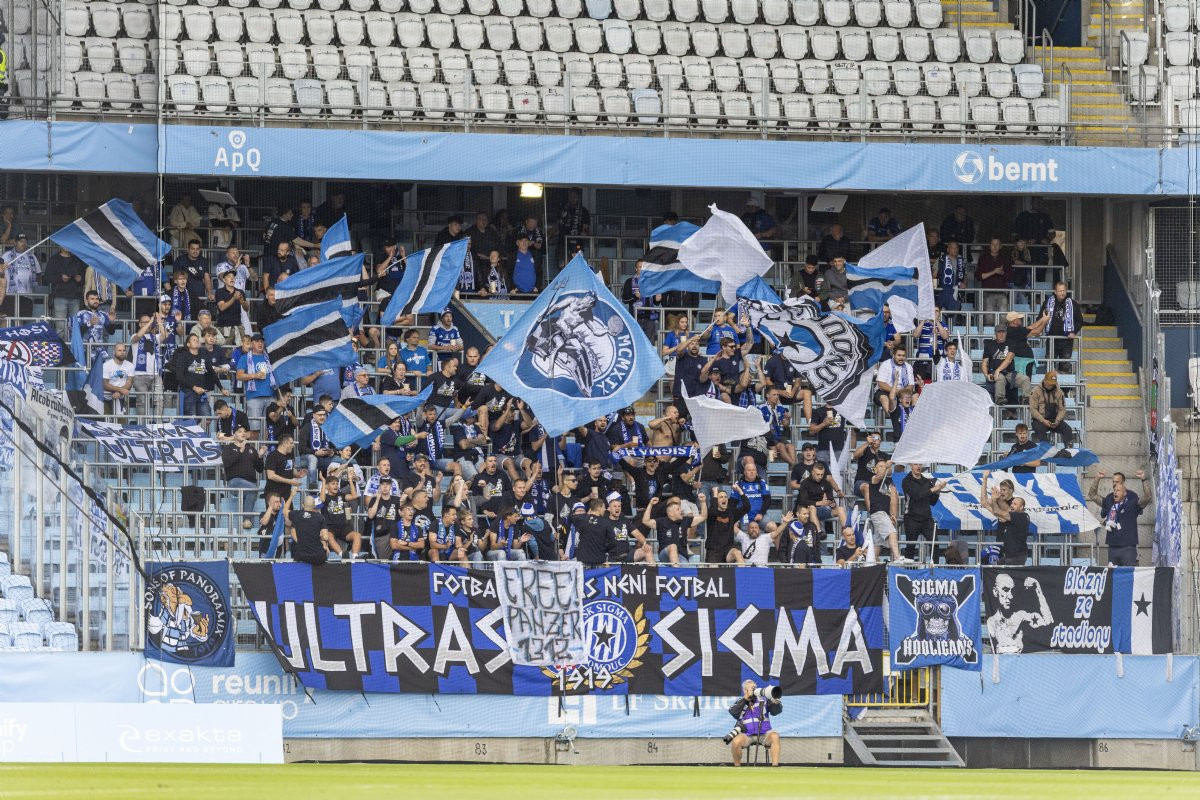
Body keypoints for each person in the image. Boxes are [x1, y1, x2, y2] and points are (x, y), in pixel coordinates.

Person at [1088, 470, 1153, 566]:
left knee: (1128, 573)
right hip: (1112, 546)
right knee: (1114, 574)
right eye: (1113, 482)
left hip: (1128, 547)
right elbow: (1092, 495)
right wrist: (1097, 479)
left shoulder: (1132, 499)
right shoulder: (1109, 498)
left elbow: (1147, 497)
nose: (1114, 485)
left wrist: (1144, 480)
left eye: (1117, 483)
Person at [986, 572, 1052, 654]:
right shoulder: (992, 621)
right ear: (996, 592)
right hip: (1000, 659)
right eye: (1005, 590)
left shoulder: (1020, 616)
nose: (1010, 596)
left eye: (1012, 590)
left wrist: (1037, 588)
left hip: (1020, 659)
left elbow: (1047, 621)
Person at [728, 680, 782, 767]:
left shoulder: (764, 699)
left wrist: (775, 703)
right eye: (751, 688)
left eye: (754, 688)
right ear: (745, 690)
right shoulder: (740, 701)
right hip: (747, 734)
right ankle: (737, 766)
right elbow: (733, 712)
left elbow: (775, 712)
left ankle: (775, 766)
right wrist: (745, 699)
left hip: (765, 733)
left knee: (775, 736)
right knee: (736, 742)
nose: (753, 690)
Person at [981, 471, 1031, 565]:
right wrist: (985, 479)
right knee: (984, 556)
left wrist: (996, 500)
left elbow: (1003, 514)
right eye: (1001, 489)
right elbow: (984, 502)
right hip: (1001, 543)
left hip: (1013, 549)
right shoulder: (1004, 502)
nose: (1001, 492)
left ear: (1011, 490)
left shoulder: (1015, 508)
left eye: (1004, 490)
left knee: (999, 566)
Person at [640, 495, 706, 566]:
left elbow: (703, 517)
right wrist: (650, 504)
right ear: (671, 513)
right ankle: (676, 571)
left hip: (682, 556)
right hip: (665, 554)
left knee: (685, 569)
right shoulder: (661, 522)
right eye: (678, 509)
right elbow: (645, 521)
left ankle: (677, 568)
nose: (681, 510)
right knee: (673, 546)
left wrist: (703, 502)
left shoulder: (685, 520)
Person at [901, 465, 946, 562]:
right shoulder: (906, 481)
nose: (918, 466)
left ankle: (935, 567)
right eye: (916, 464)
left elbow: (932, 502)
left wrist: (937, 491)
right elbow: (917, 496)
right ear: (911, 465)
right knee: (910, 546)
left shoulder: (927, 481)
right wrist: (933, 489)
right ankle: (908, 569)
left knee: (935, 544)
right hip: (911, 517)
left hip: (926, 518)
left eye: (920, 464)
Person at [222, 426, 263, 529]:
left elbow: (260, 469)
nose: (243, 433)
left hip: (251, 482)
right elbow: (227, 463)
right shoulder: (228, 448)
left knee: (252, 490)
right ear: (234, 434)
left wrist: (260, 457)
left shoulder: (251, 449)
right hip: (234, 482)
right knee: (253, 489)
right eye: (240, 431)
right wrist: (240, 450)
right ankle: (247, 519)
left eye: (244, 431)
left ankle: (246, 521)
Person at [866, 459, 906, 563]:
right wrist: (887, 466)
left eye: (884, 466)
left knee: (878, 543)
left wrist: (893, 515)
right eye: (880, 466)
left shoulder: (889, 483)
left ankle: (871, 563)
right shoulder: (874, 478)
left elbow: (893, 500)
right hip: (878, 512)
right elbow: (879, 476)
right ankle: (897, 557)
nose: (883, 468)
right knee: (892, 532)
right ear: (875, 469)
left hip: (885, 514)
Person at [1039, 281, 1085, 372]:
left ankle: (1064, 381)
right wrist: (1039, 329)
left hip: (1067, 341)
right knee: (1049, 366)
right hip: (1051, 340)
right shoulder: (1047, 302)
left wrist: (1074, 332)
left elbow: (1080, 321)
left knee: (1065, 366)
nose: (1062, 293)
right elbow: (1040, 318)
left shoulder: (1073, 304)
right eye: (1060, 291)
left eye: (1064, 290)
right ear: (1055, 292)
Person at [981, 326, 1026, 404]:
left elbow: (1008, 360)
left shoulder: (1011, 343)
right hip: (994, 372)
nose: (1001, 334)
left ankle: (1026, 399)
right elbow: (984, 362)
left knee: (1025, 379)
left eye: (1003, 332)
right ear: (995, 333)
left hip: (1010, 373)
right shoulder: (989, 345)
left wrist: (998, 370)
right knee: (1000, 378)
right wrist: (986, 375)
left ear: (1006, 333)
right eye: (999, 332)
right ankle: (999, 399)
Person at [1029, 371, 1074, 448]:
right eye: (1049, 383)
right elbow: (1033, 409)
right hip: (1040, 420)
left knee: (1068, 430)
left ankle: (1068, 450)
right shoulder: (1035, 391)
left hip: (1054, 420)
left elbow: (1062, 409)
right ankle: (1047, 450)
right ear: (1045, 380)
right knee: (1040, 430)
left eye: (1053, 384)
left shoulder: (1059, 392)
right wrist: (1043, 420)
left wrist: (1057, 420)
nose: (1051, 385)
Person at [366, 478, 403, 560]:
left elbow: (402, 515)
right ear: (380, 486)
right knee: (384, 561)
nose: (385, 487)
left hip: (395, 534)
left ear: (391, 486)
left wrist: (402, 502)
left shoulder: (397, 500)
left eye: (387, 484)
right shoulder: (374, 499)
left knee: (397, 559)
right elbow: (371, 515)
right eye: (383, 484)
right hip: (381, 535)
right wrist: (377, 499)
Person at [874, 346, 915, 415]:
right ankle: (892, 417)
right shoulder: (885, 364)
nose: (901, 358)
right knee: (884, 398)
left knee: (915, 396)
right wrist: (896, 391)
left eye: (903, 356)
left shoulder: (908, 366)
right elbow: (881, 384)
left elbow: (911, 385)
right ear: (893, 355)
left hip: (903, 391)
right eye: (899, 355)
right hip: (885, 391)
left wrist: (903, 392)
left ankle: (912, 417)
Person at [556, 189, 591, 258]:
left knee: (577, 262)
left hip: (577, 242)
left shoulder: (583, 211)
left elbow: (586, 228)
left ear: (579, 197)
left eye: (575, 196)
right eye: (571, 196)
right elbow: (557, 225)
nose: (573, 198)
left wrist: (584, 232)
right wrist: (549, 235)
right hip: (562, 242)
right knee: (562, 262)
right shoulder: (563, 209)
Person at [934, 241, 966, 312]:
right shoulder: (942, 259)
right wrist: (935, 288)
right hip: (943, 290)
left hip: (957, 291)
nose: (955, 250)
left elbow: (965, 275)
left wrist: (964, 283)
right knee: (942, 312)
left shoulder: (961, 260)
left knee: (955, 311)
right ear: (948, 249)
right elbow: (934, 274)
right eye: (952, 248)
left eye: (956, 248)